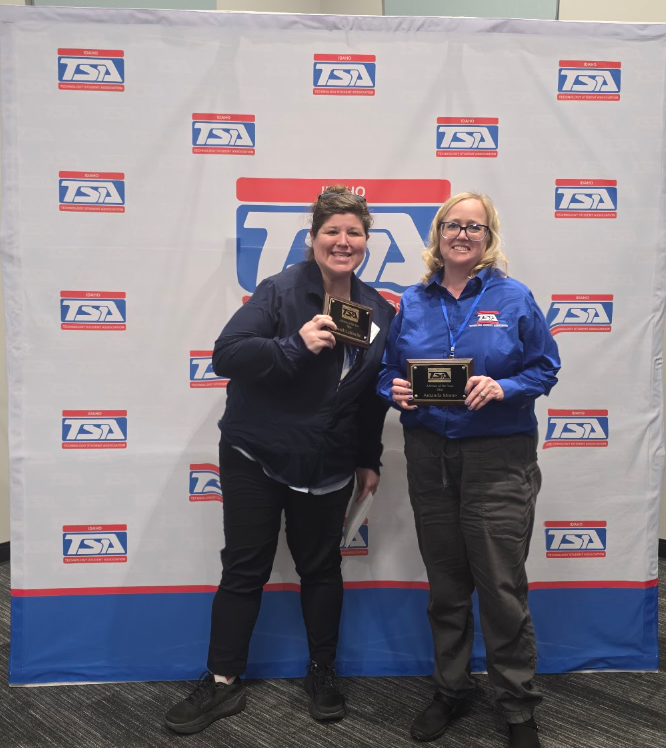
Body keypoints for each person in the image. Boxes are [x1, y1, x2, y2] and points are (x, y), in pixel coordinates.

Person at [165, 186, 395, 734]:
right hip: (256, 454)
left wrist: (368, 457)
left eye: (354, 232)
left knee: (321, 569)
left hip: (328, 463)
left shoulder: (377, 308)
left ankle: (322, 671)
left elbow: (368, 397)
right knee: (245, 568)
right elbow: (227, 354)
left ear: (367, 241)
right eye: (331, 231)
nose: (343, 241)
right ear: (313, 238)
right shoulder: (279, 290)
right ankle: (222, 682)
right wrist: (295, 344)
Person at [377, 192, 560, 748]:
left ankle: (517, 706)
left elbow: (546, 367)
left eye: (474, 226)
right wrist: (397, 392)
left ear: (488, 236)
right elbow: (387, 372)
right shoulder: (411, 301)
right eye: (452, 225)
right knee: (447, 583)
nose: (462, 234)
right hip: (430, 456)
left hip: (497, 458)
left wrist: (503, 386)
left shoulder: (513, 297)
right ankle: (451, 690)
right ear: (437, 235)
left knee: (501, 587)